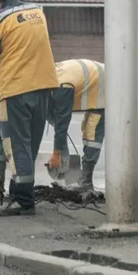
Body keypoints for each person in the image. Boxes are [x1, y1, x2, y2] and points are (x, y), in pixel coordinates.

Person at [0, 0, 60, 217]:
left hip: (15, 89)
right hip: (44, 87)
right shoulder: (37, 12)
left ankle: (24, 201)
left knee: (16, 145)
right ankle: (18, 192)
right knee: (30, 144)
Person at [46, 59, 105, 192]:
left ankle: (86, 181)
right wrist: (61, 151)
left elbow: (62, 124)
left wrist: (57, 153)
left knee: (92, 133)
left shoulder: (62, 86)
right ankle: (81, 178)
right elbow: (55, 122)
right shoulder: (45, 81)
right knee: (85, 129)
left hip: (104, 82)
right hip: (90, 78)